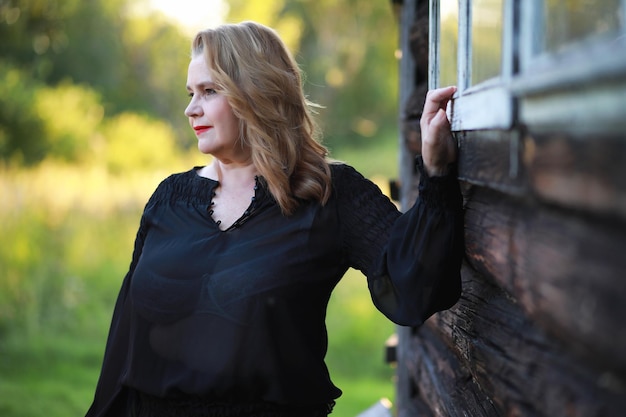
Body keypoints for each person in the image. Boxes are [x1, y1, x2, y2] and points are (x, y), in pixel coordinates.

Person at [85, 21, 463, 417]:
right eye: (190, 93)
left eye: (209, 91)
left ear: (256, 92)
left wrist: (436, 175)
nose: (190, 108)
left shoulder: (330, 194)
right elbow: (125, 344)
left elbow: (414, 287)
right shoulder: (169, 200)